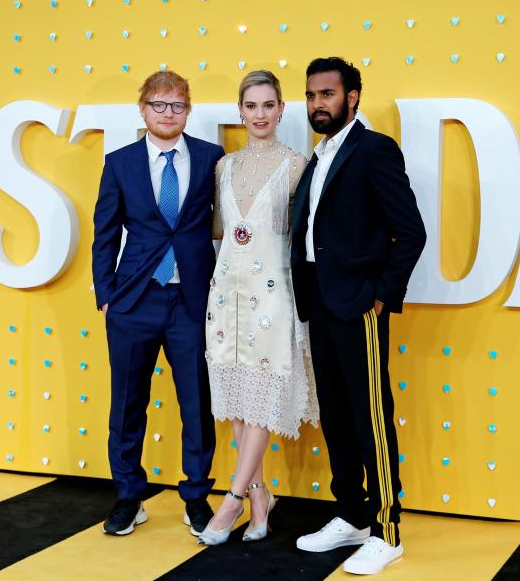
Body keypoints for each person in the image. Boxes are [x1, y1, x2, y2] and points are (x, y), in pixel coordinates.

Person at [290, 57, 426, 575]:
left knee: (370, 416)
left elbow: (410, 231)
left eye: (326, 94)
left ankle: (388, 530)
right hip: (320, 305)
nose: (317, 104)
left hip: (358, 305)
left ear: (352, 98)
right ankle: (351, 514)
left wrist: (381, 295)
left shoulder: (373, 150)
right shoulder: (318, 156)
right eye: (311, 95)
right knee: (336, 415)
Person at [92, 70, 224, 538]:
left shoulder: (212, 158)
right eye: (159, 105)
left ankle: (196, 498)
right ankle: (128, 496)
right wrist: (105, 295)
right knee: (127, 403)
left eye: (178, 106)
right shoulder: (120, 163)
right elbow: (105, 233)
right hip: (134, 300)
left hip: (192, 300)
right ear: (143, 109)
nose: (168, 114)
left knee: (196, 402)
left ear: (189, 110)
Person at [198, 70, 319, 546]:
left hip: (274, 300)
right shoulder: (224, 168)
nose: (261, 115)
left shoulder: (296, 166)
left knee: (262, 403)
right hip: (226, 299)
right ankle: (260, 495)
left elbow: (302, 237)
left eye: (269, 105)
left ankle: (232, 500)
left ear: (281, 109)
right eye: (252, 106)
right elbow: (217, 231)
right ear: (240, 111)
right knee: (238, 404)